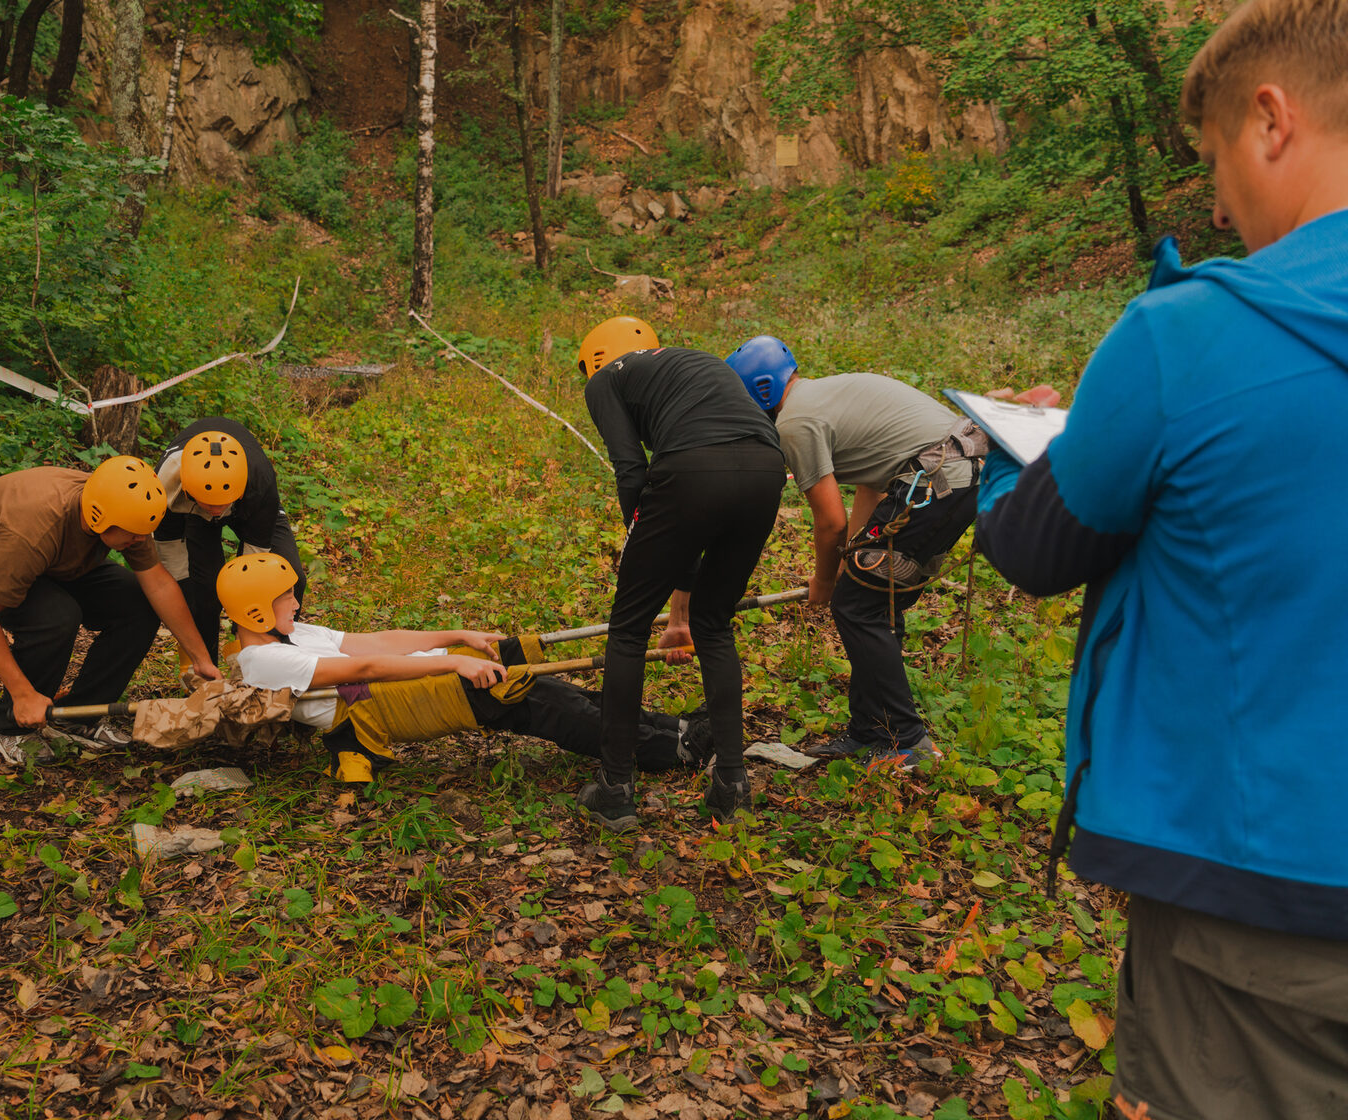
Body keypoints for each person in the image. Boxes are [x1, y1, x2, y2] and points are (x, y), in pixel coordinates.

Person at [975, 1, 1348, 1114]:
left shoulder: (1189, 334)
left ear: (1272, 120)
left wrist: (1008, 455)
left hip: (1260, 899)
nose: (1222, 208)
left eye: (1219, 160)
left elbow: (1036, 544)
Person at [219, 555, 712, 784]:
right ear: (256, 610)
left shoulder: (292, 634)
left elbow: (373, 641)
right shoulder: (264, 660)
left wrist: (456, 638)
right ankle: (675, 751)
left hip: (415, 681)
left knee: (548, 686)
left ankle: (678, 728)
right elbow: (364, 666)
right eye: (286, 597)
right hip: (385, 704)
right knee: (547, 707)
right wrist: (454, 663)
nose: (297, 601)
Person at [727, 335, 984, 769]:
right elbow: (873, 477)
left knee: (858, 606)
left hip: (934, 480)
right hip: (955, 471)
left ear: (759, 391)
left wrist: (827, 581)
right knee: (874, 598)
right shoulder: (824, 394)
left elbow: (829, 522)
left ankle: (907, 743)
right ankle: (871, 731)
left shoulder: (795, 423)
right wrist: (855, 560)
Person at [577, 317, 786, 829]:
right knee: (714, 624)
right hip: (765, 467)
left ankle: (616, 787)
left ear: (594, 360)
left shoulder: (604, 381)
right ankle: (732, 787)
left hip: (691, 466)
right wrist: (680, 590)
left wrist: (640, 538)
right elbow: (694, 515)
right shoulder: (696, 362)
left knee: (627, 629)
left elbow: (631, 469)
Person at [0, 456, 223, 765]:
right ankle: (9, 725)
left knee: (138, 602)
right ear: (98, 518)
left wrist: (200, 658)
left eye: (144, 531)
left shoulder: (127, 512)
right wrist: (23, 694)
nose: (141, 540)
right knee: (56, 617)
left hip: (57, 560)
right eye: (133, 534)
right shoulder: (33, 530)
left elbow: (158, 584)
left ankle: (80, 716)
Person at [154, 417, 304, 662]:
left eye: (221, 505)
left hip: (249, 505)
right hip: (191, 511)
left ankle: (267, 655)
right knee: (202, 589)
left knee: (289, 575)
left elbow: (256, 564)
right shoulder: (164, 486)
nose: (215, 511)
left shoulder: (259, 480)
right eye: (209, 504)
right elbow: (172, 559)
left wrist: (244, 635)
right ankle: (202, 664)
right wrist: (187, 611)